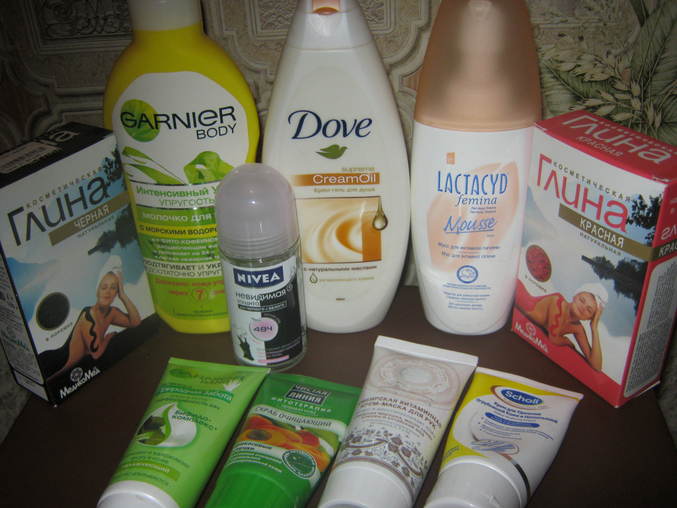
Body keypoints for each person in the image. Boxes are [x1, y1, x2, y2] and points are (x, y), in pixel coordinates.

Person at [42, 269, 141, 381]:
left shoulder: (112, 313)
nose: (108, 292)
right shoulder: (88, 316)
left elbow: (135, 322)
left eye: (113, 288)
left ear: (116, 292)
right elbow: (96, 354)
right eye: (104, 287)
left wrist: (123, 295)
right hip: (54, 363)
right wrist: (108, 337)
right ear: (97, 290)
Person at [515, 280, 607, 371]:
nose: (583, 308)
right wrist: (567, 341)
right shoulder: (557, 301)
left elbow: (597, 366)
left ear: (589, 318)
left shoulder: (578, 328)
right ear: (575, 296)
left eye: (589, 310)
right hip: (518, 291)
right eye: (582, 300)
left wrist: (594, 328)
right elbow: (554, 338)